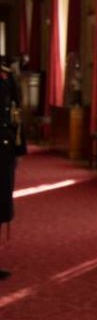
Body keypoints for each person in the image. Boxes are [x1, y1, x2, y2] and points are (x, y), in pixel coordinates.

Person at [0, 59, 26, 280]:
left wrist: (18, 147)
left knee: (0, 204)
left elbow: (15, 114)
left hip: (4, 149)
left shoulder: (6, 75)